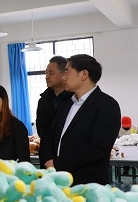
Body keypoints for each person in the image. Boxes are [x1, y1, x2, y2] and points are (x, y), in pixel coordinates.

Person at [42, 54, 121, 186]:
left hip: (87, 183)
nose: (63, 77)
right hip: (59, 179)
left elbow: (97, 148)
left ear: (84, 74)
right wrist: (50, 161)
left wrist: (58, 163)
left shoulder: (107, 105)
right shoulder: (67, 103)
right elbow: (51, 135)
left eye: (67, 72)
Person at [35, 56, 74, 167]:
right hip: (46, 156)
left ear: (64, 74)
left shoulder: (74, 99)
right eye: (46, 73)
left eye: (51, 73)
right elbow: (40, 128)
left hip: (68, 157)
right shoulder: (43, 100)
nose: (47, 77)